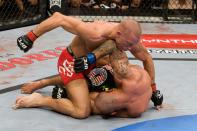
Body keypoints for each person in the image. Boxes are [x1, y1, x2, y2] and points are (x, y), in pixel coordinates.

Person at [16, 12, 163, 118]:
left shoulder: (129, 39)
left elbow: (146, 58)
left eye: (133, 44)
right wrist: (31, 36)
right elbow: (59, 18)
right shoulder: (94, 32)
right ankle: (42, 99)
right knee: (82, 111)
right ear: (119, 34)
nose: (131, 48)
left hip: (95, 62)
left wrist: (153, 88)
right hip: (73, 62)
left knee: (121, 82)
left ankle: (58, 88)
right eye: (129, 44)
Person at [14, 48, 152, 118]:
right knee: (92, 77)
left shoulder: (120, 95)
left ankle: (45, 99)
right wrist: (42, 82)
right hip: (103, 81)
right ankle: (44, 84)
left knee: (85, 108)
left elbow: (98, 105)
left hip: (107, 94)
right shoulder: (135, 72)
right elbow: (145, 59)